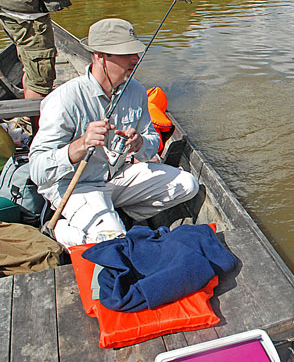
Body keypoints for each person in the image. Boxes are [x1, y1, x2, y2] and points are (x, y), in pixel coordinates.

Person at [29, 18, 199, 248]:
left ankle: (118, 215)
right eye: (125, 54)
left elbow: (152, 139)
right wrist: (80, 145)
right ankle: (61, 228)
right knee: (112, 243)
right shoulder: (64, 100)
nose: (135, 60)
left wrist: (140, 143)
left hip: (119, 176)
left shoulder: (136, 91)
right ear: (99, 56)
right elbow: (38, 170)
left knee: (188, 185)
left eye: (135, 53)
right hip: (77, 185)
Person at [0, 0, 107, 132]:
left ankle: (27, 117)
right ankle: (37, 134)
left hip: (8, 11)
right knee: (40, 80)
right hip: (30, 19)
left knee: (30, 66)